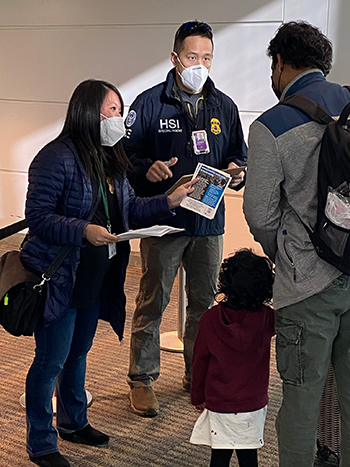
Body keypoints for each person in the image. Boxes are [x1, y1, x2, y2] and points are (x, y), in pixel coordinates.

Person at [20, 79, 195, 467]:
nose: (119, 118)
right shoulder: (56, 157)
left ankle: (73, 421)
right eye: (112, 110)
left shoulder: (111, 158)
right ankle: (42, 442)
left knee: (78, 353)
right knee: (50, 361)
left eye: (119, 109)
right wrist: (84, 230)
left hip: (97, 275)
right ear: (87, 112)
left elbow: (129, 211)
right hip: (62, 274)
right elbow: (39, 218)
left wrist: (169, 200)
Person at [123, 20, 247, 417]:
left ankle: (197, 375)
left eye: (207, 58)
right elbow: (123, 158)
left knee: (204, 303)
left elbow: (238, 154)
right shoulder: (149, 103)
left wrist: (237, 169)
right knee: (153, 300)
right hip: (165, 218)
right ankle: (142, 379)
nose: (200, 65)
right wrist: (147, 168)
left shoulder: (223, 105)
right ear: (175, 57)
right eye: (193, 57)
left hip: (208, 222)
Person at [243, 21, 350, 467]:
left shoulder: (271, 125)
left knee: (301, 406)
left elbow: (260, 214)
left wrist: (282, 254)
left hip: (306, 287)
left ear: (281, 63)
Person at [189, 249, 275, 467]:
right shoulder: (267, 318)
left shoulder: (209, 319)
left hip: (219, 401)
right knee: (249, 458)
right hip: (253, 402)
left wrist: (197, 395)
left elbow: (199, 362)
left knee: (219, 457)